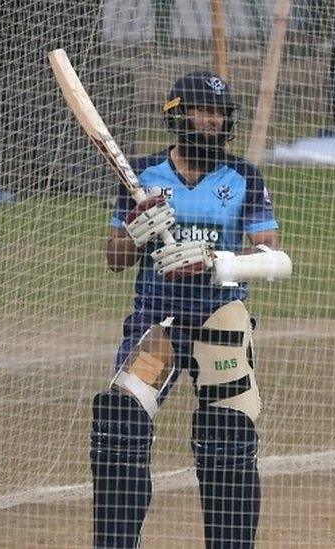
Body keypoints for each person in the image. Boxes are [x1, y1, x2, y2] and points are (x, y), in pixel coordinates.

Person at [90, 71, 291, 548]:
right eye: (202, 111)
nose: (212, 121)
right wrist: (137, 232)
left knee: (227, 436)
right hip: (158, 322)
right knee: (121, 425)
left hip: (219, 320)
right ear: (177, 115)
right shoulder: (141, 176)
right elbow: (116, 260)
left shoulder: (244, 178)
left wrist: (216, 260)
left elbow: (275, 259)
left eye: (219, 113)